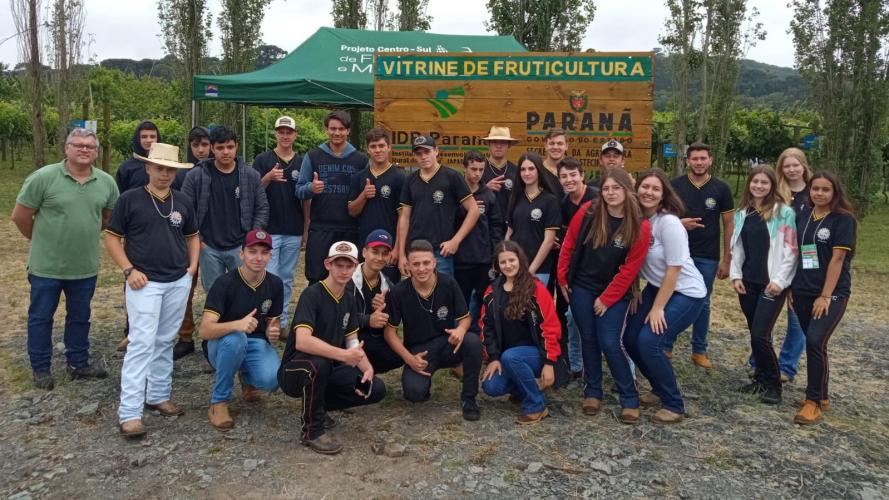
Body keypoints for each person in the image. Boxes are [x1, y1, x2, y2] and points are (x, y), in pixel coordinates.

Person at [11, 129, 119, 390]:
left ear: (96, 152)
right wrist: (40, 241)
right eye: (78, 145)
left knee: (80, 316)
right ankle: (40, 368)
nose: (84, 150)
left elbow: (108, 218)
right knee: (41, 317)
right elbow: (20, 216)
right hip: (46, 266)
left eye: (90, 147)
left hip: (84, 266)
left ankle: (78, 362)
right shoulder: (43, 178)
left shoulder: (106, 182)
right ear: (66, 148)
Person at [104, 143, 198, 438]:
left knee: (165, 339)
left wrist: (192, 268)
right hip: (144, 282)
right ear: (147, 168)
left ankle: (158, 394)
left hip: (177, 280)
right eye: (159, 168)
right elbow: (111, 237)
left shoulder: (182, 201)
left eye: (170, 169)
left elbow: (193, 236)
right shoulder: (130, 200)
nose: (165, 174)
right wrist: (128, 270)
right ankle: (129, 412)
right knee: (141, 342)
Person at [558, 168, 651, 424]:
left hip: (616, 292)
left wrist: (607, 298)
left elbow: (630, 268)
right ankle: (592, 391)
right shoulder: (590, 210)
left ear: (626, 190)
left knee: (610, 342)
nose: (610, 193)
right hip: (582, 286)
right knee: (588, 338)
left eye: (616, 188)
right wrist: (563, 277)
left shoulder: (639, 225)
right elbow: (569, 243)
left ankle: (629, 397)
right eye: (607, 188)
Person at [278, 241, 386, 455]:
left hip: (327, 368)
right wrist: (343, 355)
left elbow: (352, 340)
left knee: (376, 388)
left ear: (356, 267)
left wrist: (367, 368)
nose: (344, 270)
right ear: (328, 264)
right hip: (295, 371)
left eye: (349, 266)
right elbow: (302, 341)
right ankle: (312, 431)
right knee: (320, 363)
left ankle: (318, 407)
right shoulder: (312, 294)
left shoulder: (348, 299)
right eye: (339, 265)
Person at [624, 169, 707, 424]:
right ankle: (658, 388)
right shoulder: (636, 220)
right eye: (645, 187)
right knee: (629, 338)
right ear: (637, 190)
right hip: (655, 287)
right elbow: (634, 259)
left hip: (685, 292)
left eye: (655, 189)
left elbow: (674, 268)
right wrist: (636, 289)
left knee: (650, 341)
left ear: (663, 196)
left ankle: (674, 403)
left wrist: (658, 307)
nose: (649, 192)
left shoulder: (669, 223)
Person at [384, 239, 483, 421]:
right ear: (408, 265)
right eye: (416, 264)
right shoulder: (398, 292)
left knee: (472, 341)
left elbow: (465, 318)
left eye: (426, 263)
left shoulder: (448, 283)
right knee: (414, 394)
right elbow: (389, 333)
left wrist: (460, 330)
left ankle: (469, 398)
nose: (422, 269)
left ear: (434, 262)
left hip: (447, 344)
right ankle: (425, 381)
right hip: (420, 351)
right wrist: (409, 359)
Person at [199, 230, 283, 431]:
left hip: (255, 342)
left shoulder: (275, 284)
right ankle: (218, 403)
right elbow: (204, 331)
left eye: (264, 252)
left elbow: (274, 321)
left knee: (273, 380)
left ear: (271, 256)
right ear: (242, 254)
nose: (258, 257)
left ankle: (247, 379)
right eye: (252, 251)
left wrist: (274, 330)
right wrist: (237, 325)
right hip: (222, 344)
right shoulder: (225, 283)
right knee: (236, 339)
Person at [790, 172, 856, 425]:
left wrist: (825, 295)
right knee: (815, 343)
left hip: (832, 293)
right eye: (815, 189)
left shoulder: (843, 220)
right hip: (803, 289)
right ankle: (823, 393)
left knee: (816, 341)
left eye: (825, 189)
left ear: (834, 192)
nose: (819, 193)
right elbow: (802, 254)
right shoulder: (805, 215)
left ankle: (812, 402)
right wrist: (793, 290)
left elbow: (838, 260)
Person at [730, 165, 798, 405]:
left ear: (772, 186)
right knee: (756, 333)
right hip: (748, 283)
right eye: (755, 182)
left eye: (764, 183)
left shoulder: (783, 213)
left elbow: (791, 251)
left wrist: (780, 281)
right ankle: (760, 378)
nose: (758, 186)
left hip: (772, 285)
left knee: (761, 335)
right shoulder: (743, 213)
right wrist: (736, 276)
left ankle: (773, 384)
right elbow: (737, 248)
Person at [748, 148, 813, 382]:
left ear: (804, 165)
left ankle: (786, 366)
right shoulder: (778, 195)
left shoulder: (814, 191)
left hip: (805, 259)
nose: (792, 169)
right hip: (777, 262)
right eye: (787, 166)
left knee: (796, 315)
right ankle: (761, 361)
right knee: (764, 317)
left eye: (796, 165)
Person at [181, 126, 269, 297]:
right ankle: (218, 323)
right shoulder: (196, 176)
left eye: (230, 147)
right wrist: (198, 240)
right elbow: (185, 209)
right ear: (212, 149)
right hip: (208, 247)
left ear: (236, 146)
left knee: (245, 291)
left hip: (241, 246)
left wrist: (252, 237)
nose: (226, 152)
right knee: (215, 294)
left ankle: (241, 324)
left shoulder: (251, 176)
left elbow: (262, 207)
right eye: (220, 148)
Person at [669, 142, 734, 368]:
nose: (699, 162)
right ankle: (667, 343)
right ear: (687, 161)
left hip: (707, 255)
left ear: (710, 160)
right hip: (678, 254)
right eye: (694, 158)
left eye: (703, 158)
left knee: (702, 302)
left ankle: (699, 349)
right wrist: (680, 223)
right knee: (670, 297)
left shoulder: (721, 189)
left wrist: (727, 259)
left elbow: (728, 224)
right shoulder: (675, 185)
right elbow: (662, 217)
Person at [481, 241, 561, 424]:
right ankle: (525, 387)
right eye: (503, 262)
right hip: (508, 356)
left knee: (511, 357)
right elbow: (487, 328)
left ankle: (537, 406)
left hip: (537, 355)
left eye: (512, 260)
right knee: (490, 386)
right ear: (497, 266)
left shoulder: (536, 289)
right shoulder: (492, 292)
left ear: (520, 260)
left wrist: (549, 362)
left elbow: (551, 326)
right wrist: (493, 358)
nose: (508, 265)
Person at [296, 111, 369, 283]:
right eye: (333, 129)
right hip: (321, 228)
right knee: (316, 277)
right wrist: (311, 188)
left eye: (341, 129)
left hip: (351, 229)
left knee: (350, 279)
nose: (337, 133)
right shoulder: (313, 156)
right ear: (326, 130)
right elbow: (299, 190)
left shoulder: (361, 160)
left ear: (348, 131)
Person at [252, 116, 308, 332]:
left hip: (293, 230)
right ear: (275, 134)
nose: (285, 136)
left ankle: (280, 323)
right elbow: (253, 192)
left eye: (289, 132)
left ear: (295, 135)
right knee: (267, 277)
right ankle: (264, 322)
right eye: (281, 131)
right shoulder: (263, 160)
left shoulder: (302, 162)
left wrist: (306, 229)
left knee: (286, 279)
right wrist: (267, 178)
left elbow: (307, 200)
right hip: (268, 231)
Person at [396, 135, 480, 277]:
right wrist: (401, 254)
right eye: (419, 153)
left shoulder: (452, 176)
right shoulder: (410, 180)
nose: (423, 157)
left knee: (442, 296)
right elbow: (404, 217)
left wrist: (455, 241)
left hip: (440, 252)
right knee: (412, 297)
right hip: (413, 251)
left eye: (427, 152)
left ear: (436, 151)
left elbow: (474, 210)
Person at [172, 126, 213, 359]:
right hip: (186, 240)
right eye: (196, 145)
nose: (200, 150)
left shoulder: (219, 170)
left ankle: (213, 335)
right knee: (184, 289)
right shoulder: (181, 174)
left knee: (215, 289)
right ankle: (185, 335)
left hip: (213, 242)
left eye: (204, 145)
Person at [455, 150, 504, 331]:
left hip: (484, 260)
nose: (477, 174)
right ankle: (460, 339)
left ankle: (484, 338)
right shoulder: (456, 193)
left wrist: (495, 256)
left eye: (481, 169)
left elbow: (496, 227)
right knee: (461, 304)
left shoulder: (489, 195)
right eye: (473, 169)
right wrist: (463, 210)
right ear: (465, 168)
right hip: (460, 260)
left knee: (486, 301)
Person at [557, 156, 597, 378]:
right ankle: (576, 363)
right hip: (576, 269)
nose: (569, 180)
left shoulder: (598, 198)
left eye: (573, 175)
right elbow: (565, 238)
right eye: (564, 176)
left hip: (603, 265)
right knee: (573, 316)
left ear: (582, 175)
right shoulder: (563, 205)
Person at [348, 127, 404, 284]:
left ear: (389, 147)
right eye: (373, 146)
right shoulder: (359, 177)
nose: (378, 150)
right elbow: (352, 211)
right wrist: (363, 196)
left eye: (381, 146)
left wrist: (398, 248)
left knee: (388, 291)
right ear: (367, 150)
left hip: (388, 247)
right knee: (362, 286)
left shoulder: (399, 178)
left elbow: (403, 216)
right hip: (365, 245)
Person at [347, 229, 403, 374]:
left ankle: (365, 371)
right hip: (345, 337)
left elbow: (392, 326)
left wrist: (385, 310)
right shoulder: (347, 279)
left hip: (368, 338)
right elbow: (338, 317)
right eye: (375, 251)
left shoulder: (388, 285)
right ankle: (350, 371)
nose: (380, 257)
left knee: (396, 357)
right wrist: (368, 319)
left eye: (385, 253)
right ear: (364, 252)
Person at [505, 152, 561, 283]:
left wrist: (531, 270)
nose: (526, 173)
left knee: (533, 304)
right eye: (523, 169)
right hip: (514, 267)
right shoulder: (515, 198)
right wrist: (505, 258)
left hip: (538, 270)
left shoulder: (550, 200)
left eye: (531, 168)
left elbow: (548, 241)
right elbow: (509, 232)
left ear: (539, 170)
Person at [115, 121, 188, 193]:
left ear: (157, 138)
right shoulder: (126, 167)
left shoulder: (168, 165)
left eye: (152, 137)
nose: (149, 140)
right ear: (137, 139)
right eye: (144, 137)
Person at [480, 126, 520, 234]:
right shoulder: (479, 169)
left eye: (503, 142)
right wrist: (485, 189)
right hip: (483, 227)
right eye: (494, 142)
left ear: (509, 145)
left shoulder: (516, 171)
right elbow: (467, 198)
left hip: (510, 229)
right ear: (488, 144)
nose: (498, 146)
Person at [540, 128, 568, 195]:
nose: (555, 147)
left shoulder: (573, 170)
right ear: (546, 146)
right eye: (551, 143)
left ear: (566, 146)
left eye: (560, 144)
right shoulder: (538, 170)